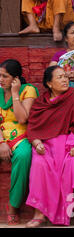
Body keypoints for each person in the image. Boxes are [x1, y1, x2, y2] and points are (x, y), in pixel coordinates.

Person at [25, 66, 74, 228]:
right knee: (39, 164)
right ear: (49, 83)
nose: (65, 80)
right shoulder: (40, 102)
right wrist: (37, 143)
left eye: (66, 76)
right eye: (59, 77)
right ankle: (39, 213)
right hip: (46, 145)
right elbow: (33, 127)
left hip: (71, 144)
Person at [0, 60, 39, 226]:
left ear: (16, 78)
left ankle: (13, 207)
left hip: (21, 136)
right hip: (1, 135)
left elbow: (23, 118)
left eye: (5, 76)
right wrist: (1, 142)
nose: (0, 80)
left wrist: (15, 93)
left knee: (24, 155)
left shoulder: (28, 90)